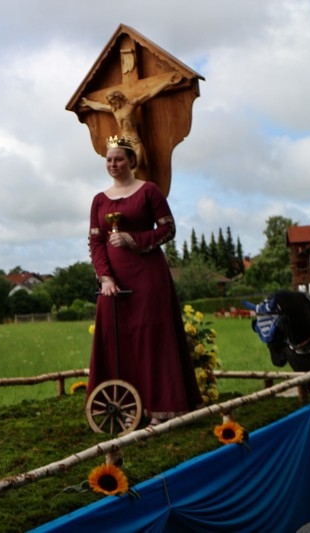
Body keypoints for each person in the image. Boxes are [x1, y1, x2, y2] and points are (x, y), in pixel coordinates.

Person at [87, 135, 202, 426]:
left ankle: (163, 408)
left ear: (132, 161)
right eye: (109, 160)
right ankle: (123, 407)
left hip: (149, 278)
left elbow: (168, 229)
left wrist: (133, 238)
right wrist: (105, 278)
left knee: (152, 339)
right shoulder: (99, 200)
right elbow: (96, 243)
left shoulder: (149, 191)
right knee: (114, 340)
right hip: (112, 284)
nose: (113, 164)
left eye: (119, 159)